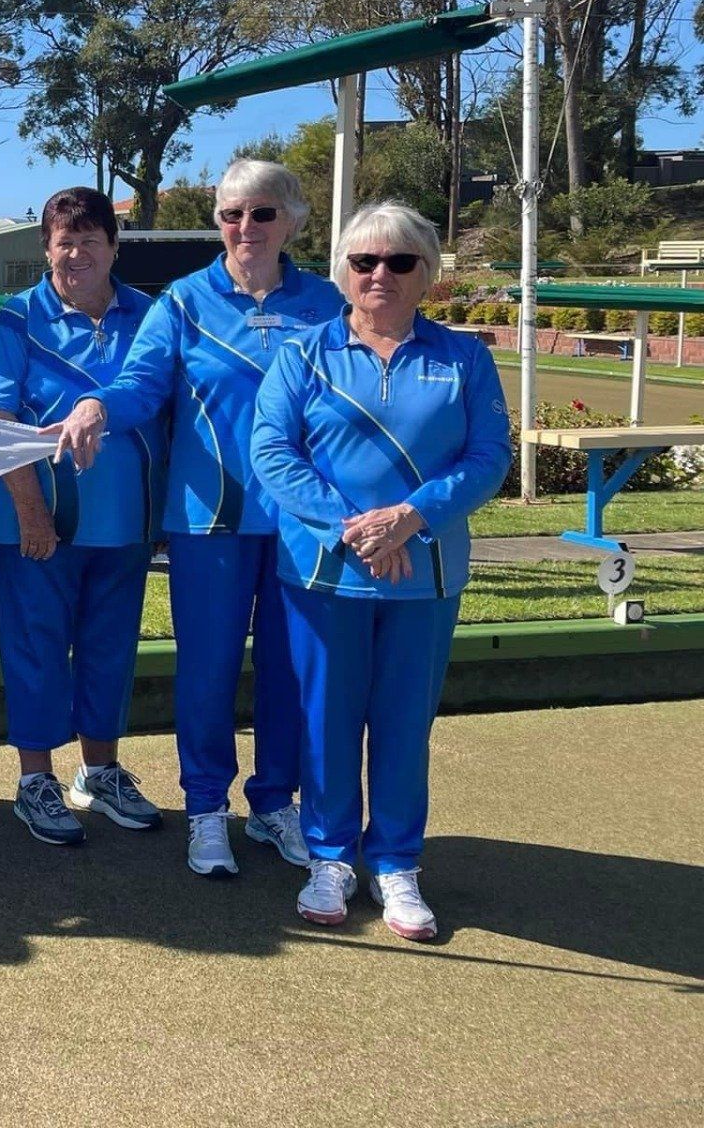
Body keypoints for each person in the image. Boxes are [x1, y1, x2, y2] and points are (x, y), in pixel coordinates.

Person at [46, 159, 343, 878]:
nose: (245, 228)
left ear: (294, 221)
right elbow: (141, 385)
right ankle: (207, 809)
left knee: (292, 674)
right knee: (207, 674)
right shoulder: (181, 301)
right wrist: (97, 406)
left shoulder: (330, 302)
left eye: (262, 213)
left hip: (306, 524)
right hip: (210, 522)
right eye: (231, 214)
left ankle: (275, 806)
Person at [250, 201, 510, 939]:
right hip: (327, 571)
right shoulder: (302, 353)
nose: (380, 275)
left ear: (427, 272)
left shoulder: (465, 357)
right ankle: (330, 858)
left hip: (423, 571)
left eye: (400, 262)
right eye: (364, 262)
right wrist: (353, 527)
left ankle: (395, 863)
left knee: (402, 724)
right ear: (342, 272)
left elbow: (489, 455)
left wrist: (411, 516)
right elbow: (273, 452)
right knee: (326, 722)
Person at [0, 187, 165, 848]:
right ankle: (35, 781)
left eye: (89, 240)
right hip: (38, 530)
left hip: (126, 526)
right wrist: (31, 513)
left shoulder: (151, 316)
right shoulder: (17, 320)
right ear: (46, 247)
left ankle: (100, 772)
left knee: (110, 652)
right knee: (35, 652)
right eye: (63, 241)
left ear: (113, 245)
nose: (75, 253)